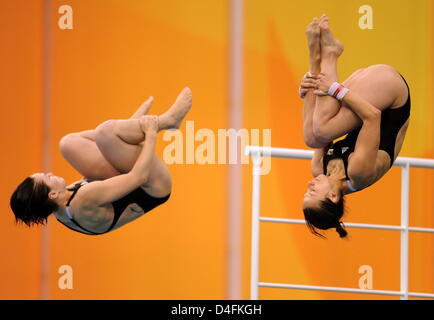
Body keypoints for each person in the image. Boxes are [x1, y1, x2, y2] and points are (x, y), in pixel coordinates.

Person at [10, 87, 192, 235]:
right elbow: (139, 176)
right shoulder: (84, 199)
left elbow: (109, 169)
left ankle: (132, 129)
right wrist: (151, 133)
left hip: (131, 181)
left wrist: (132, 126)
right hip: (152, 187)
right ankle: (168, 122)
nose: (49, 173)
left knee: (68, 144)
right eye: (46, 178)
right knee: (105, 133)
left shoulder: (60, 208)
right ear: (52, 195)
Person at [299, 15, 410, 238]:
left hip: (367, 92)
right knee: (322, 130)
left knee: (313, 137)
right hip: (392, 93)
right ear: (332, 196)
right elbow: (372, 116)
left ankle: (316, 61)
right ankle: (326, 55)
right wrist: (335, 90)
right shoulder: (358, 172)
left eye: (305, 191)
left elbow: (312, 127)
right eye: (312, 192)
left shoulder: (320, 168)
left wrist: (307, 89)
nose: (309, 184)